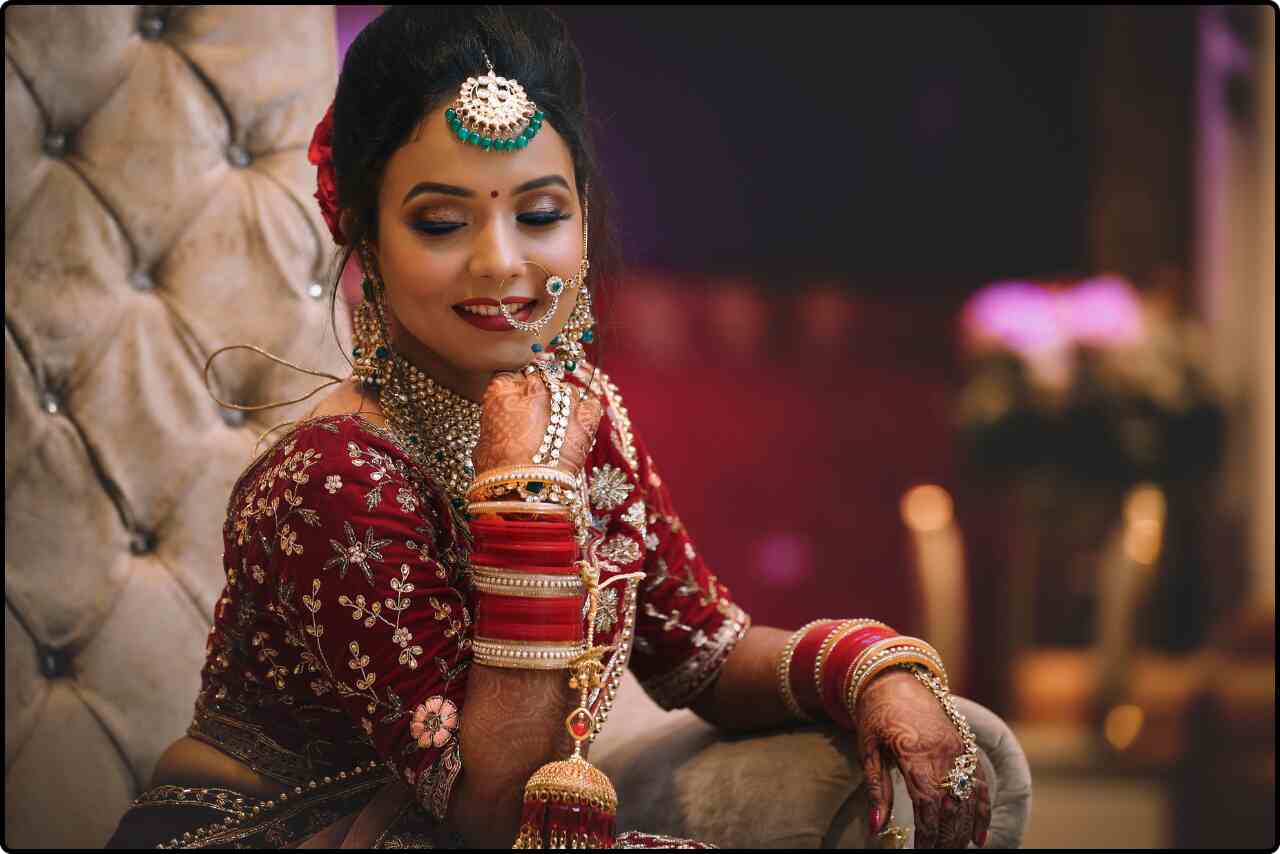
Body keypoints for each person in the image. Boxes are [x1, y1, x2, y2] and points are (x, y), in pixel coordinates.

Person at [106, 7, 991, 849]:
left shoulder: (582, 415)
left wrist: (874, 670)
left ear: (583, 218)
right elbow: (495, 814)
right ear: (366, 240)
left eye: (539, 214)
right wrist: (525, 499)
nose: (502, 262)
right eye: (442, 222)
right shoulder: (331, 476)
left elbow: (706, 660)